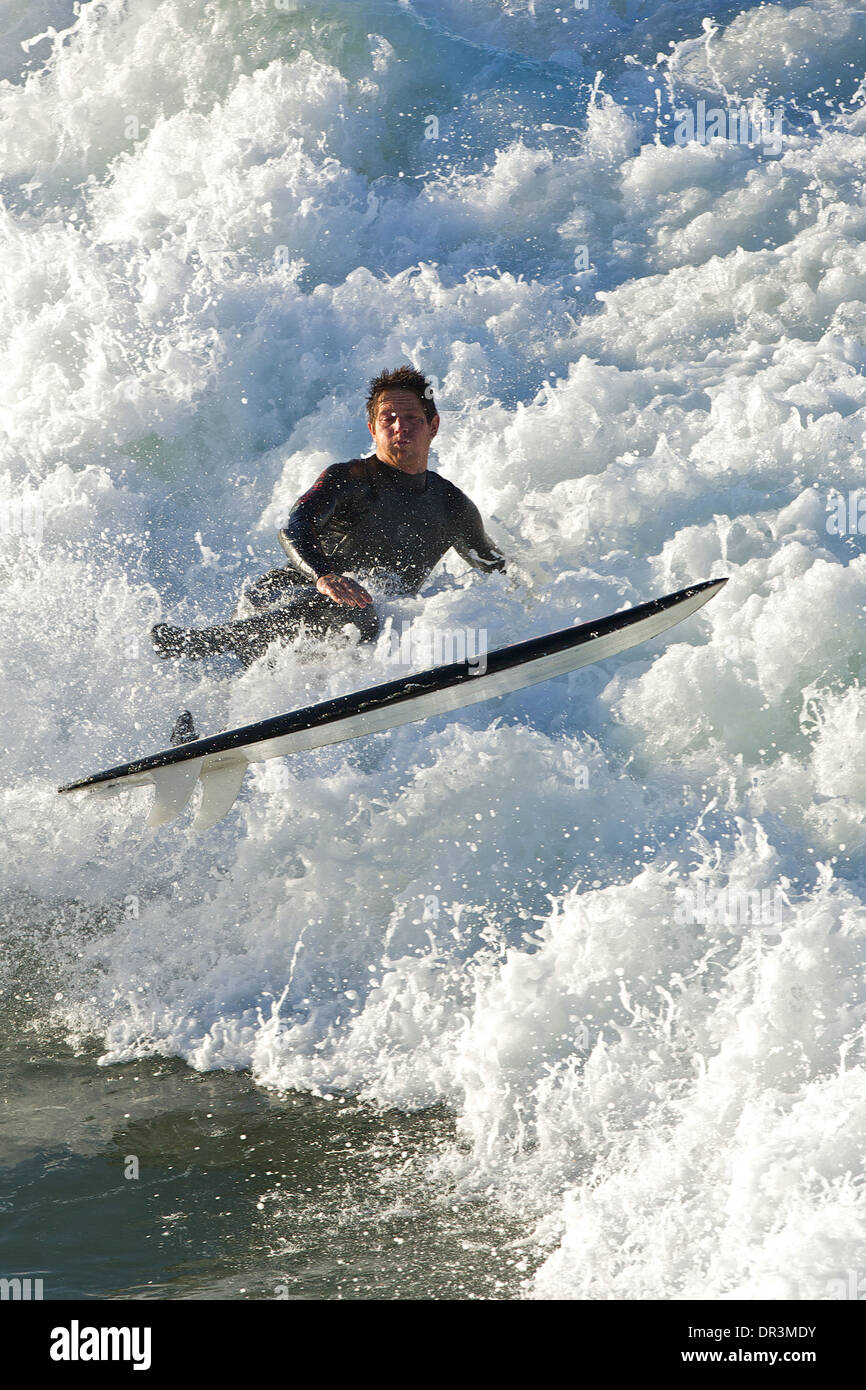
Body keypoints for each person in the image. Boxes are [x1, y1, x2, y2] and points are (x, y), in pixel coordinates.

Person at [151, 365, 505, 671]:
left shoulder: (452, 508)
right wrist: (324, 575)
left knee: (431, 623)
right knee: (360, 611)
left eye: (412, 418)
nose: (400, 427)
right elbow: (294, 528)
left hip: (344, 635)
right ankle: (210, 641)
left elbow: (497, 571)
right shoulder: (348, 479)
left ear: (434, 426)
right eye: (389, 419)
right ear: (373, 429)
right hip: (279, 600)